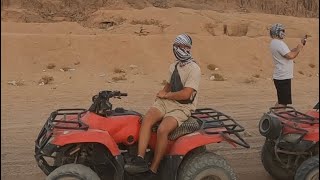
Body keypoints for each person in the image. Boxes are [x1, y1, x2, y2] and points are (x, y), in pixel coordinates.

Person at [124, 34, 201, 179]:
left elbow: (186, 94)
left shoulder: (194, 69)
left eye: (183, 47)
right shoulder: (174, 66)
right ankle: (140, 159)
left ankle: (153, 169)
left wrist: (167, 95)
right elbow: (169, 84)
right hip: (167, 102)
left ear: (188, 48)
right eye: (177, 46)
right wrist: (162, 92)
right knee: (146, 119)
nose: (179, 49)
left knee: (162, 129)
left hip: (182, 107)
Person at [269, 23, 307, 109]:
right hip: (283, 76)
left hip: (280, 76)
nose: (284, 33)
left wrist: (299, 46)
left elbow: (288, 52)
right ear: (278, 32)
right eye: (282, 31)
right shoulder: (279, 43)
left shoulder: (274, 42)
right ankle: (275, 120)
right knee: (283, 103)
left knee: (281, 101)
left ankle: (271, 117)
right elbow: (291, 56)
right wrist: (299, 48)